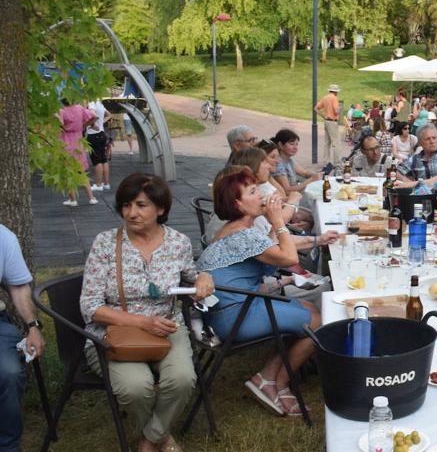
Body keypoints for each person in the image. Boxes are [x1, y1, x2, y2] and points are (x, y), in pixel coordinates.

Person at [80, 174, 214, 452]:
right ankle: (162, 437)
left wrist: (203, 278)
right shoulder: (105, 243)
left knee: (182, 379)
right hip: (116, 333)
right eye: (126, 205)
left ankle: (150, 438)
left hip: (168, 327)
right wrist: (143, 322)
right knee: (134, 388)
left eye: (141, 205)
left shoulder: (178, 242)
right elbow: (90, 306)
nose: (131, 213)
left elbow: (191, 277)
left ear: (161, 209)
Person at [196, 168, 321, 417]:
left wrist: (316, 239)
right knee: (317, 322)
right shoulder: (243, 236)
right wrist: (277, 220)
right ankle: (273, 382)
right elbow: (288, 257)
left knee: (310, 310)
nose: (262, 194)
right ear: (238, 204)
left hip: (224, 312)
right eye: (253, 191)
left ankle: (271, 378)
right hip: (235, 317)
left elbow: (272, 249)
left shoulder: (236, 231)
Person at [0, 225, 45, 452]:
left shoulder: (2, 236)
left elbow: (17, 286)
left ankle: (7, 446)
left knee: (8, 372)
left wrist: (33, 327)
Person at [58, 100, 98, 206]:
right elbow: (94, 116)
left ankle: (73, 200)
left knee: (68, 173)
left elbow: (60, 124)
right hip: (78, 143)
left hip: (65, 143)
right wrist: (83, 126)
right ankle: (91, 198)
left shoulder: (62, 111)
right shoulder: (80, 108)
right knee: (81, 172)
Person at [271, 129, 321, 194]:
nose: (295, 147)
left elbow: (304, 173)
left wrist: (316, 175)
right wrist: (311, 180)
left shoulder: (288, 160)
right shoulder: (278, 163)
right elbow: (287, 190)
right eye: (292, 144)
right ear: (280, 144)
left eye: (296, 144)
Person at [86, 99, 111, 191]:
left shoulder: (91, 103)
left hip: (93, 135)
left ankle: (98, 185)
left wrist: (90, 125)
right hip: (102, 134)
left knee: (97, 161)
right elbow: (109, 115)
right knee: (104, 160)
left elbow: (94, 116)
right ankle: (106, 184)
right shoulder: (99, 103)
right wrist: (101, 123)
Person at [313, 84, 341, 164]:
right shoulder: (334, 98)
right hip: (332, 121)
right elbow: (336, 111)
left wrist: (323, 116)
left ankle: (326, 162)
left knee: (327, 143)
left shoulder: (325, 97)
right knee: (336, 143)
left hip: (327, 121)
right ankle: (337, 162)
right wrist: (339, 108)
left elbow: (316, 108)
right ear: (336, 92)